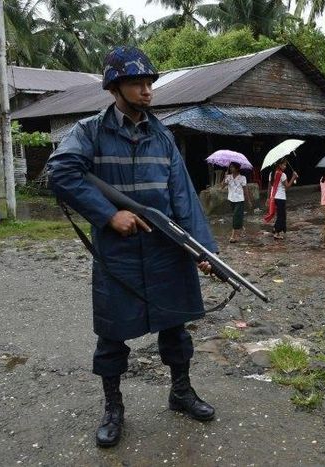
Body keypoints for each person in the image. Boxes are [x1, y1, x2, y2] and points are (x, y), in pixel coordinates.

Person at [47, 46, 217, 448]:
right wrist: (108, 215)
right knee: (111, 334)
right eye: (136, 83)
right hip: (118, 253)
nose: (146, 91)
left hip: (166, 249)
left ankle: (180, 392)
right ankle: (113, 407)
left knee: (176, 326)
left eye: (149, 83)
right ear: (114, 87)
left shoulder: (163, 136)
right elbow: (61, 173)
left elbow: (184, 197)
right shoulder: (88, 131)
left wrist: (203, 249)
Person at [264, 158, 298, 240]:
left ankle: (275, 229)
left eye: (286, 164)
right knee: (281, 216)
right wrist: (293, 177)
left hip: (273, 197)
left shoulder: (271, 173)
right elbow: (287, 186)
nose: (285, 166)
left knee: (279, 215)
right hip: (281, 198)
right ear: (279, 165)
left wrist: (268, 198)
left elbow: (269, 187)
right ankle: (276, 232)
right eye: (284, 164)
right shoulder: (282, 175)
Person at [222, 161, 247, 243]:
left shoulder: (242, 178)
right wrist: (224, 177)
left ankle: (233, 236)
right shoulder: (228, 177)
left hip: (239, 199)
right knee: (237, 216)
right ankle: (241, 227)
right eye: (230, 167)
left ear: (237, 168)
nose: (231, 168)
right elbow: (222, 187)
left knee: (236, 217)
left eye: (232, 167)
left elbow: (245, 189)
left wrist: (249, 200)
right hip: (231, 199)